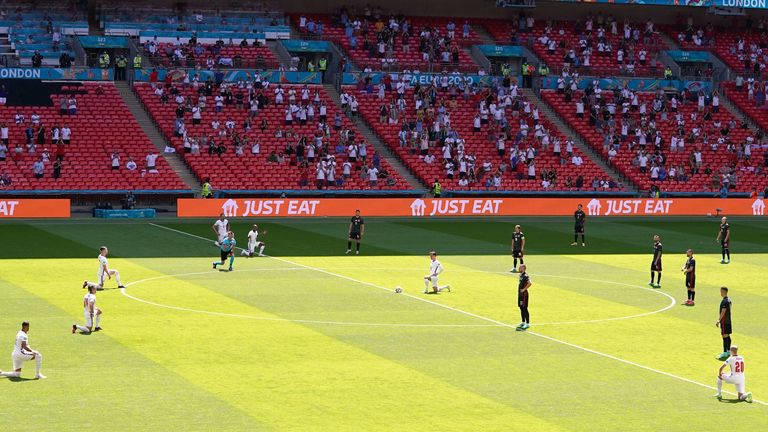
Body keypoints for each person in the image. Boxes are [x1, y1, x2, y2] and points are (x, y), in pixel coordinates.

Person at [716, 287, 733, 360]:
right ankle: (728, 351)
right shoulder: (729, 300)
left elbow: (723, 311)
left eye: (721, 291)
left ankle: (725, 352)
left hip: (724, 321)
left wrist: (719, 320)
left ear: (723, 292)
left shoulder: (724, 301)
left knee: (724, 335)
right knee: (727, 335)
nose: (720, 293)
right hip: (728, 321)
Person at [516, 264, 531, 331]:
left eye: (520, 267)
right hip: (520, 294)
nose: (519, 268)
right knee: (521, 308)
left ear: (524, 268)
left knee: (525, 308)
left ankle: (527, 323)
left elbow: (530, 283)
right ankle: (523, 322)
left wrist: (524, 289)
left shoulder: (526, 276)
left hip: (524, 294)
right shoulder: (521, 275)